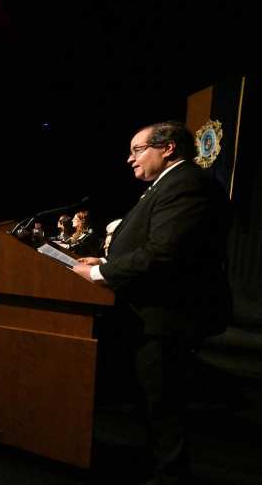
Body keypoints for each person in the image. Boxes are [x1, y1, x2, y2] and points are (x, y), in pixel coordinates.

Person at [73, 121, 231, 484]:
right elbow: (151, 242)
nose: (129, 159)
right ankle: (157, 466)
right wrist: (107, 262)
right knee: (152, 400)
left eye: (137, 149)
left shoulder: (186, 184)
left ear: (169, 148)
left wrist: (99, 276)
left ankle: (171, 476)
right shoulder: (168, 185)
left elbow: (164, 254)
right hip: (155, 311)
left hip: (169, 315)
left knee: (164, 405)